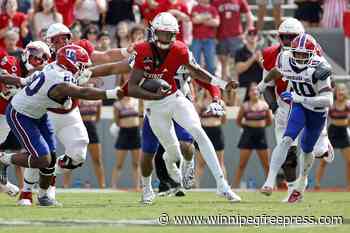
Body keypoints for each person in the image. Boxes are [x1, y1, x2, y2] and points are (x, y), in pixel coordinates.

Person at [126, 12, 240, 204]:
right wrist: (151, 95)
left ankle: (222, 185)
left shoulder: (180, 50)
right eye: (162, 33)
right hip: (154, 105)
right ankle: (155, 181)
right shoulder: (142, 51)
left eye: (169, 34)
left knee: (198, 133)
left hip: (176, 97)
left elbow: (197, 72)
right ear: (154, 33)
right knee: (169, 153)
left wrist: (221, 85)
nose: (166, 38)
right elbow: (130, 85)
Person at [16, 22, 132, 205]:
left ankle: (50, 173)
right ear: (49, 41)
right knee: (40, 152)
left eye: (65, 38)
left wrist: (127, 51)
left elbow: (105, 56)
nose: (62, 42)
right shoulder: (43, 54)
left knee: (78, 153)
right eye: (57, 39)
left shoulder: (80, 49)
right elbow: (33, 76)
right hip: (47, 112)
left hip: (70, 111)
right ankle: (27, 192)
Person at [258, 19, 334, 202]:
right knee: (286, 144)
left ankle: (322, 146)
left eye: (291, 37)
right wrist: (263, 85)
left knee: (312, 151)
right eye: (283, 37)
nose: (287, 41)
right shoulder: (282, 57)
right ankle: (275, 183)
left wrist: (303, 98)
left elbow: (328, 97)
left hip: (314, 107)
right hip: (293, 104)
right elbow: (276, 72)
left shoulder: (318, 64)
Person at [63, 80, 106, 189]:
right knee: (71, 156)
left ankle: (102, 185)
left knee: (97, 159)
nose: (88, 84)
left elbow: (98, 117)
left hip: (91, 127)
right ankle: (65, 185)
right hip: (78, 127)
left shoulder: (97, 99)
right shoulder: (77, 96)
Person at [232, 83, 272, 188]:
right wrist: (247, 127)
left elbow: (269, 121)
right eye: (252, 90)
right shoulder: (245, 106)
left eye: (256, 90)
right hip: (248, 134)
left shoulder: (265, 105)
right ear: (249, 93)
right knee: (242, 164)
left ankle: (271, 185)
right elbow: (238, 121)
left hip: (261, 134)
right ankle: (235, 186)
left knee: (266, 164)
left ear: (259, 92)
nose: (254, 92)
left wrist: (260, 125)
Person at [315, 83, 350, 190]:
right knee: (324, 160)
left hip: (343, 132)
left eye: (343, 90)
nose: (341, 92)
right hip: (332, 132)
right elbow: (324, 118)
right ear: (335, 92)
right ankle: (317, 185)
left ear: (346, 92)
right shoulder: (331, 104)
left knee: (349, 161)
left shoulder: (348, 104)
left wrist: (346, 124)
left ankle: (349, 186)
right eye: (339, 90)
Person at [212, 0, 254, 81]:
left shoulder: (240, 1)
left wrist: (246, 33)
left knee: (236, 65)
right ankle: (224, 90)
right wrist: (214, 36)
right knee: (224, 66)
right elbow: (213, 18)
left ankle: (236, 90)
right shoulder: (216, 2)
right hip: (221, 37)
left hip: (236, 37)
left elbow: (249, 17)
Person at [195, 90, 227, 187]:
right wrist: (200, 101)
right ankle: (195, 187)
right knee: (200, 163)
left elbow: (224, 120)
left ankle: (224, 186)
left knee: (220, 162)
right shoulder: (200, 102)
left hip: (216, 131)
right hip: (204, 131)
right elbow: (196, 118)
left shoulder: (220, 102)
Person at [111, 96, 141, 190]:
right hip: (123, 133)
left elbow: (141, 116)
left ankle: (137, 186)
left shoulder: (137, 101)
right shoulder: (117, 104)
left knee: (136, 163)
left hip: (135, 132)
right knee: (119, 163)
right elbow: (116, 120)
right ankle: (113, 186)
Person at [191, 0, 220, 75]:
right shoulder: (195, 8)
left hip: (210, 40)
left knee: (211, 65)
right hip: (196, 39)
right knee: (194, 64)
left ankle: (209, 85)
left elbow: (216, 23)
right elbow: (195, 20)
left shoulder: (213, 9)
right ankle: (196, 85)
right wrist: (208, 17)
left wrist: (201, 18)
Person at [235, 27, 262, 102]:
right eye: (250, 34)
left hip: (259, 87)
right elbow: (239, 69)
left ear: (258, 37)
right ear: (246, 37)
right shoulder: (240, 52)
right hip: (244, 86)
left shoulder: (263, 51)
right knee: (241, 109)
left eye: (255, 34)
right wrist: (252, 59)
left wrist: (259, 60)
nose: (252, 36)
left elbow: (267, 68)